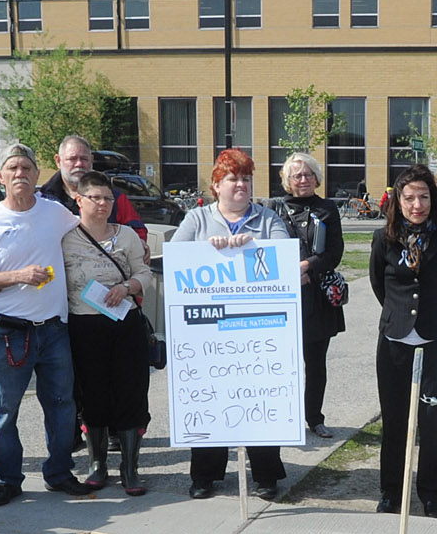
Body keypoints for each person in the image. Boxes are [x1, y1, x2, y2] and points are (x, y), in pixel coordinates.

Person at [0, 143, 90, 505]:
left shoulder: (55, 213)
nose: (20, 173)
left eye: (26, 168)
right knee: (5, 410)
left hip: (54, 329)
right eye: (13, 168)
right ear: (0, 177)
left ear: (38, 175)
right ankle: (7, 478)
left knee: (61, 405)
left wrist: (130, 242)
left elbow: (91, 231)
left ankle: (59, 472)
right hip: (9, 331)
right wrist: (18, 276)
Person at [171, 148, 291, 500]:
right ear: (216, 185)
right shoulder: (197, 220)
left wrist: (252, 246)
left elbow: (285, 257)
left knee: (259, 399)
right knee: (210, 399)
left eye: (245, 178)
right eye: (232, 179)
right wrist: (209, 251)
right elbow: (176, 260)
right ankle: (205, 475)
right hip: (208, 331)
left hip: (258, 330)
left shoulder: (268, 219)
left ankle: (266, 475)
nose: (240, 184)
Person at [370, 163, 437, 516]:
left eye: (423, 197)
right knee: (394, 422)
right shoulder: (383, 238)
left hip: (435, 339)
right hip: (394, 341)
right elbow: (380, 284)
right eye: (409, 198)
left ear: (433, 199)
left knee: (432, 421)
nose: (417, 204)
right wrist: (400, 313)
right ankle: (391, 491)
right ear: (398, 201)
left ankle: (432, 492)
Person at [59, 170, 156, 494]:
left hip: (123, 322)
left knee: (130, 393)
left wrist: (127, 286)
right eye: (95, 198)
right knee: (92, 395)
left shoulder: (126, 235)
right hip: (84, 325)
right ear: (79, 200)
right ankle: (97, 464)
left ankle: (130, 468)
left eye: (107, 199)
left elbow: (145, 272)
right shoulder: (64, 236)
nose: (102, 204)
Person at [275, 151, 345, 438]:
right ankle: (285, 418)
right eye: (296, 175)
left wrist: (306, 267)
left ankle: (314, 417)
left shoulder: (328, 209)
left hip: (317, 298)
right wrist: (290, 272)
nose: (302, 180)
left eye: (307, 174)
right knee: (284, 364)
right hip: (284, 298)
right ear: (287, 181)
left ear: (316, 178)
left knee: (316, 364)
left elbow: (334, 251)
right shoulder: (274, 210)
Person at [41, 134, 148, 242]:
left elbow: (139, 234)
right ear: (58, 161)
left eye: (84, 158)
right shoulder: (43, 200)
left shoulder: (114, 198)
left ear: (91, 160)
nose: (79, 164)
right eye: (72, 159)